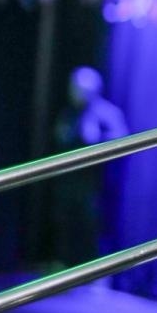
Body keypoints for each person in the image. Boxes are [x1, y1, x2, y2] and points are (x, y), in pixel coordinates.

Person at [49, 65, 128, 268]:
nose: (74, 93)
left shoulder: (107, 113)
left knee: (93, 227)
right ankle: (66, 266)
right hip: (69, 182)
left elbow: (124, 141)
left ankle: (97, 271)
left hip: (97, 185)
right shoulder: (70, 113)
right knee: (66, 225)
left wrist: (98, 139)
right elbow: (60, 139)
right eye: (72, 88)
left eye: (78, 89)